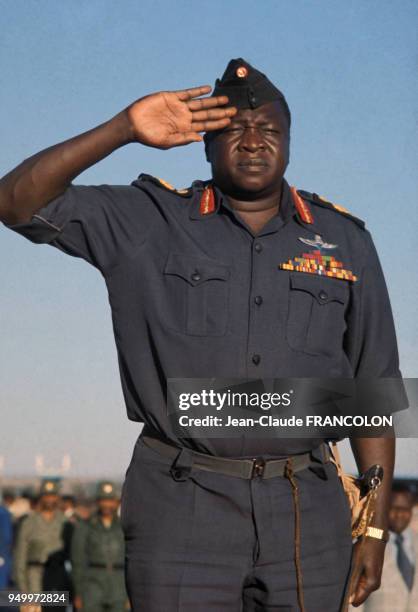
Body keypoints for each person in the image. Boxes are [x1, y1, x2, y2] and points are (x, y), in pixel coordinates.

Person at [0, 57, 402, 610]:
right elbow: (16, 201)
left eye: (269, 130)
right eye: (234, 128)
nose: (254, 140)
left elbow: (373, 387)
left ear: (290, 141)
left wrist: (374, 530)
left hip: (306, 511)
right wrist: (123, 129)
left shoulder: (344, 241)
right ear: (204, 143)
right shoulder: (149, 221)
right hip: (181, 503)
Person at [13, 479, 72, 605]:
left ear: (57, 498)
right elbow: (20, 558)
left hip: (57, 580)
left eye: (53, 496)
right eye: (46, 496)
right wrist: (23, 590)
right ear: (41, 498)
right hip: (34, 580)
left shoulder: (65, 523)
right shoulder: (28, 523)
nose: (49, 500)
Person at [71, 481, 127, 611]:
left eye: (110, 500)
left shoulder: (123, 527)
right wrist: (78, 593)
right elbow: (78, 561)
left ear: (116, 502)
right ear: (97, 502)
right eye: (103, 500)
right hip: (92, 588)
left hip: (119, 589)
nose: (106, 504)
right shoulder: (85, 526)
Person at [361, 484, 418, 611]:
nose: (399, 514)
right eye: (394, 508)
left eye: (404, 509)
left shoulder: (416, 542)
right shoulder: (369, 541)